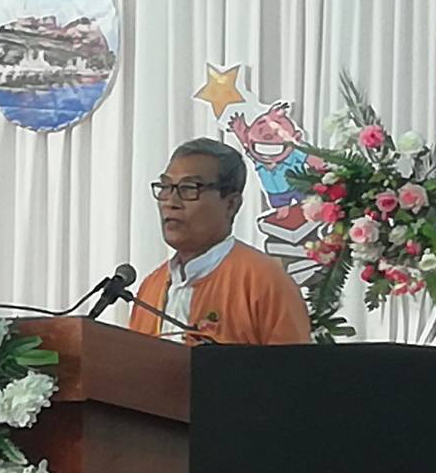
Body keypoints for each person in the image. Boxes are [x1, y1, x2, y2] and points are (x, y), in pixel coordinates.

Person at [129, 138, 310, 345]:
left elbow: (294, 365)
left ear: (231, 204)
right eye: (166, 186)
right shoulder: (150, 288)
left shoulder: (265, 281)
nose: (171, 202)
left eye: (189, 188)